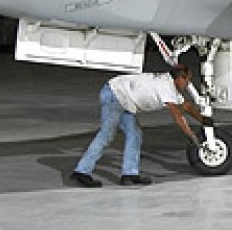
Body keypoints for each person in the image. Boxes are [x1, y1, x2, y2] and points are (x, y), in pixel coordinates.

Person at [70, 65, 206, 187]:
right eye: (187, 80)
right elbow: (178, 116)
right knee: (106, 135)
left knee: (134, 134)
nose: (188, 84)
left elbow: (187, 106)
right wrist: (192, 136)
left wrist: (204, 120)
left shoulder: (171, 84)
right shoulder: (166, 87)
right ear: (180, 78)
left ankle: (129, 174)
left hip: (125, 100)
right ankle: (81, 172)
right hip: (115, 94)